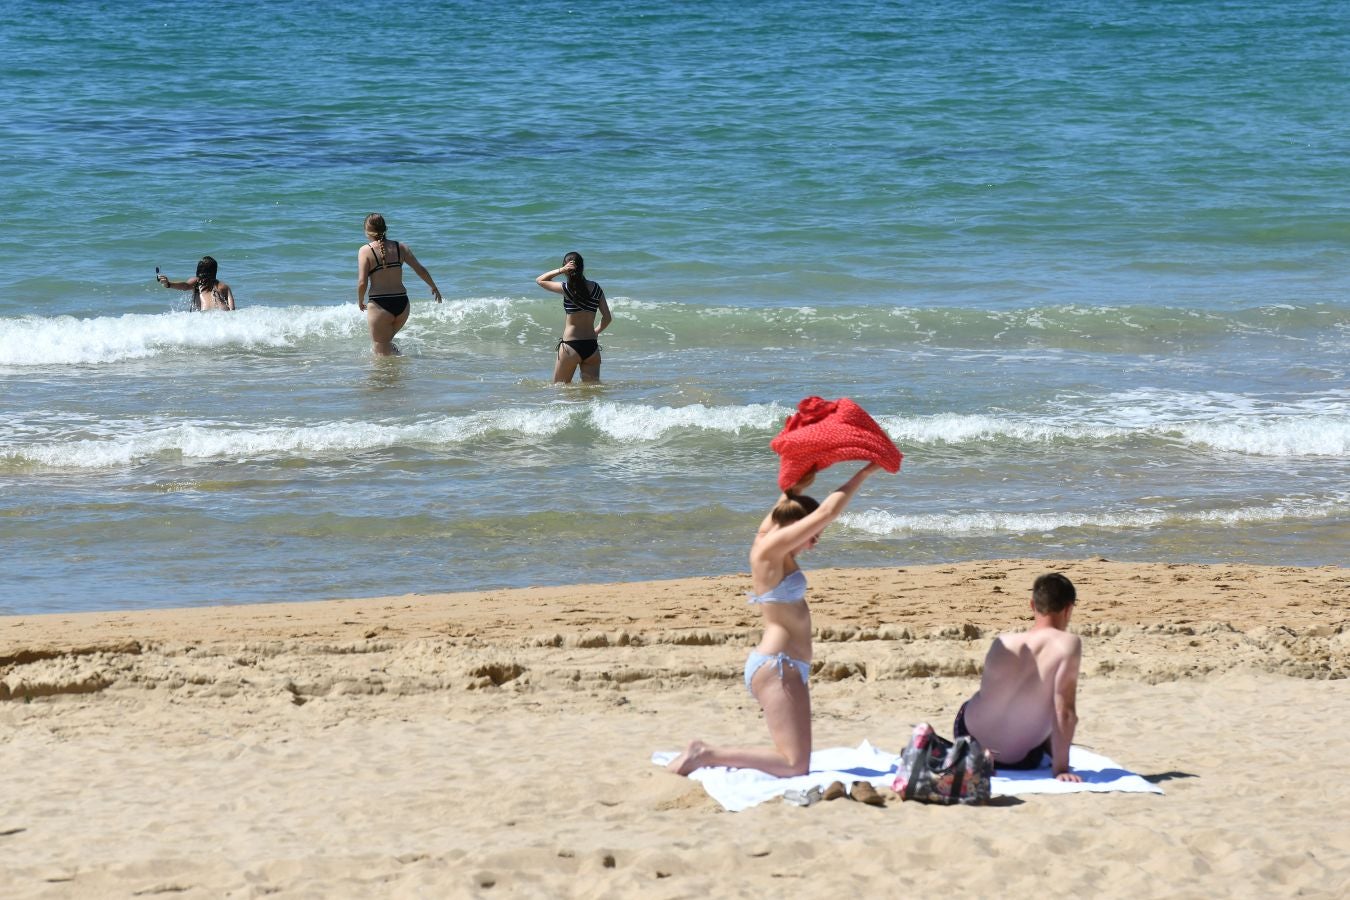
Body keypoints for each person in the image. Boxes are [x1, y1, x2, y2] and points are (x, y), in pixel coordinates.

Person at [668, 463, 885, 777]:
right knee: (794, 765)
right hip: (777, 666)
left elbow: (786, 507)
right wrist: (863, 474)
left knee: (796, 759)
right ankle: (705, 754)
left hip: (785, 666)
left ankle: (706, 754)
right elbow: (825, 512)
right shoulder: (768, 552)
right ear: (796, 527)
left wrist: (800, 481)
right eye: (812, 535)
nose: (814, 542)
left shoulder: (769, 543)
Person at [952, 572, 1084, 782]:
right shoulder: (1068, 644)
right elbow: (1065, 712)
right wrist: (1061, 769)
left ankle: (982, 755)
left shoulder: (1002, 641)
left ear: (1032, 605)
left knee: (991, 700)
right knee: (1046, 710)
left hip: (968, 736)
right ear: (1068, 609)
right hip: (1019, 759)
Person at [357, 213, 442, 356]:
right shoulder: (400, 247)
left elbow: (362, 282)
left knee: (380, 350)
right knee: (385, 345)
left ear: (367, 231)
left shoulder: (365, 250)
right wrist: (433, 287)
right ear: (385, 229)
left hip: (380, 305)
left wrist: (360, 301)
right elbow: (420, 269)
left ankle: (389, 376)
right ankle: (399, 368)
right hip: (402, 305)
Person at [534, 251, 613, 383]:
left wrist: (561, 270)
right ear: (582, 268)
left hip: (570, 347)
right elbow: (607, 318)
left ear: (567, 269)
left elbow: (540, 280)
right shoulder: (596, 288)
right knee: (591, 394)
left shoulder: (566, 289)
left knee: (559, 390)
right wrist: (596, 331)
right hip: (591, 347)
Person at [157, 256, 235, 311]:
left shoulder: (198, 281)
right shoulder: (225, 286)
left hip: (204, 316)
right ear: (215, 271)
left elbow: (185, 286)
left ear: (199, 270)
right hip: (222, 315)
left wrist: (169, 284)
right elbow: (232, 310)